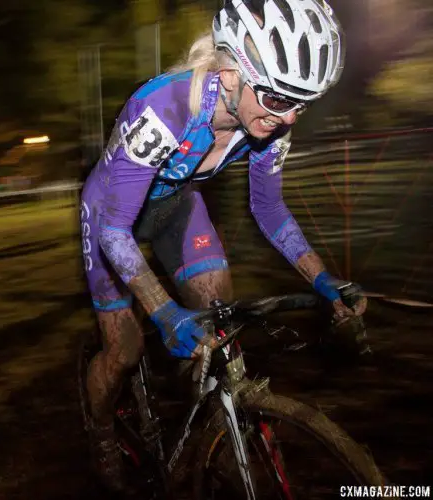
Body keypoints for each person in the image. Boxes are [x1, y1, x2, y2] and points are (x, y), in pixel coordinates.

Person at [80, 0, 367, 491]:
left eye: (303, 103)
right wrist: (162, 311)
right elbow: (113, 230)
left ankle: (217, 428)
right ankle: (102, 430)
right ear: (231, 73)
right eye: (280, 100)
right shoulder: (164, 107)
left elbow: (270, 210)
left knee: (220, 320)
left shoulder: (267, 120)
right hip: (110, 213)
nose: (290, 118)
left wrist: (322, 278)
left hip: (174, 207)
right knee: (125, 350)